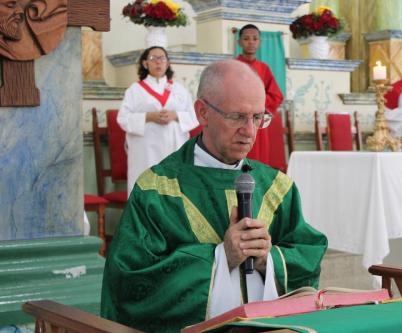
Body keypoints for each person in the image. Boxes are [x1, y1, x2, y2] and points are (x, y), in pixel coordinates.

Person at [101, 60, 327, 333]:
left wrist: (270, 260)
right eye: (237, 117)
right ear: (202, 112)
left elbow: (308, 257)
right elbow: (130, 283)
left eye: (258, 117)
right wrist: (222, 258)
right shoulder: (158, 189)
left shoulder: (277, 188)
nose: (250, 131)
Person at [117, 46, 198, 195]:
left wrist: (176, 116)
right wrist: (148, 117)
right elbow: (123, 119)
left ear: (167, 63)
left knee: (174, 188)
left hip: (174, 146)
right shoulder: (135, 90)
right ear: (145, 63)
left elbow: (194, 116)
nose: (158, 63)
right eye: (153, 59)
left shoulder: (179, 89)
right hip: (146, 149)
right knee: (146, 186)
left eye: (162, 58)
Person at [236, 24, 284, 167]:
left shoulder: (264, 68)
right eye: (246, 38)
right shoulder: (232, 66)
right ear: (239, 42)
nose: (251, 42)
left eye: (255, 39)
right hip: (237, 121)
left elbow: (276, 95)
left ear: (260, 42)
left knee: (258, 161)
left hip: (258, 122)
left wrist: (257, 106)